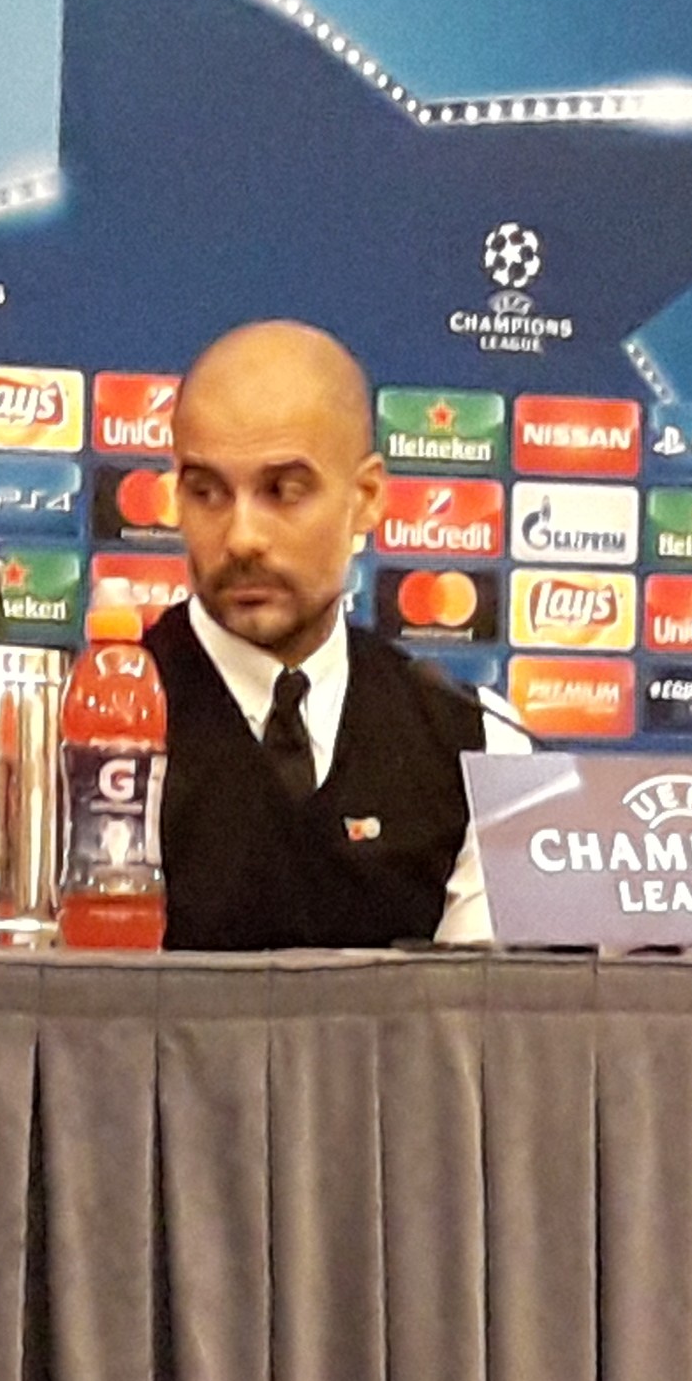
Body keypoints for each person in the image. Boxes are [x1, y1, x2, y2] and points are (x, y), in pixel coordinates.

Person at [145, 319, 496, 950]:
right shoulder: (80, 733)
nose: (242, 536)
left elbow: (482, 1030)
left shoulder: (480, 744)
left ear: (365, 497)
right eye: (207, 492)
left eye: (284, 491)